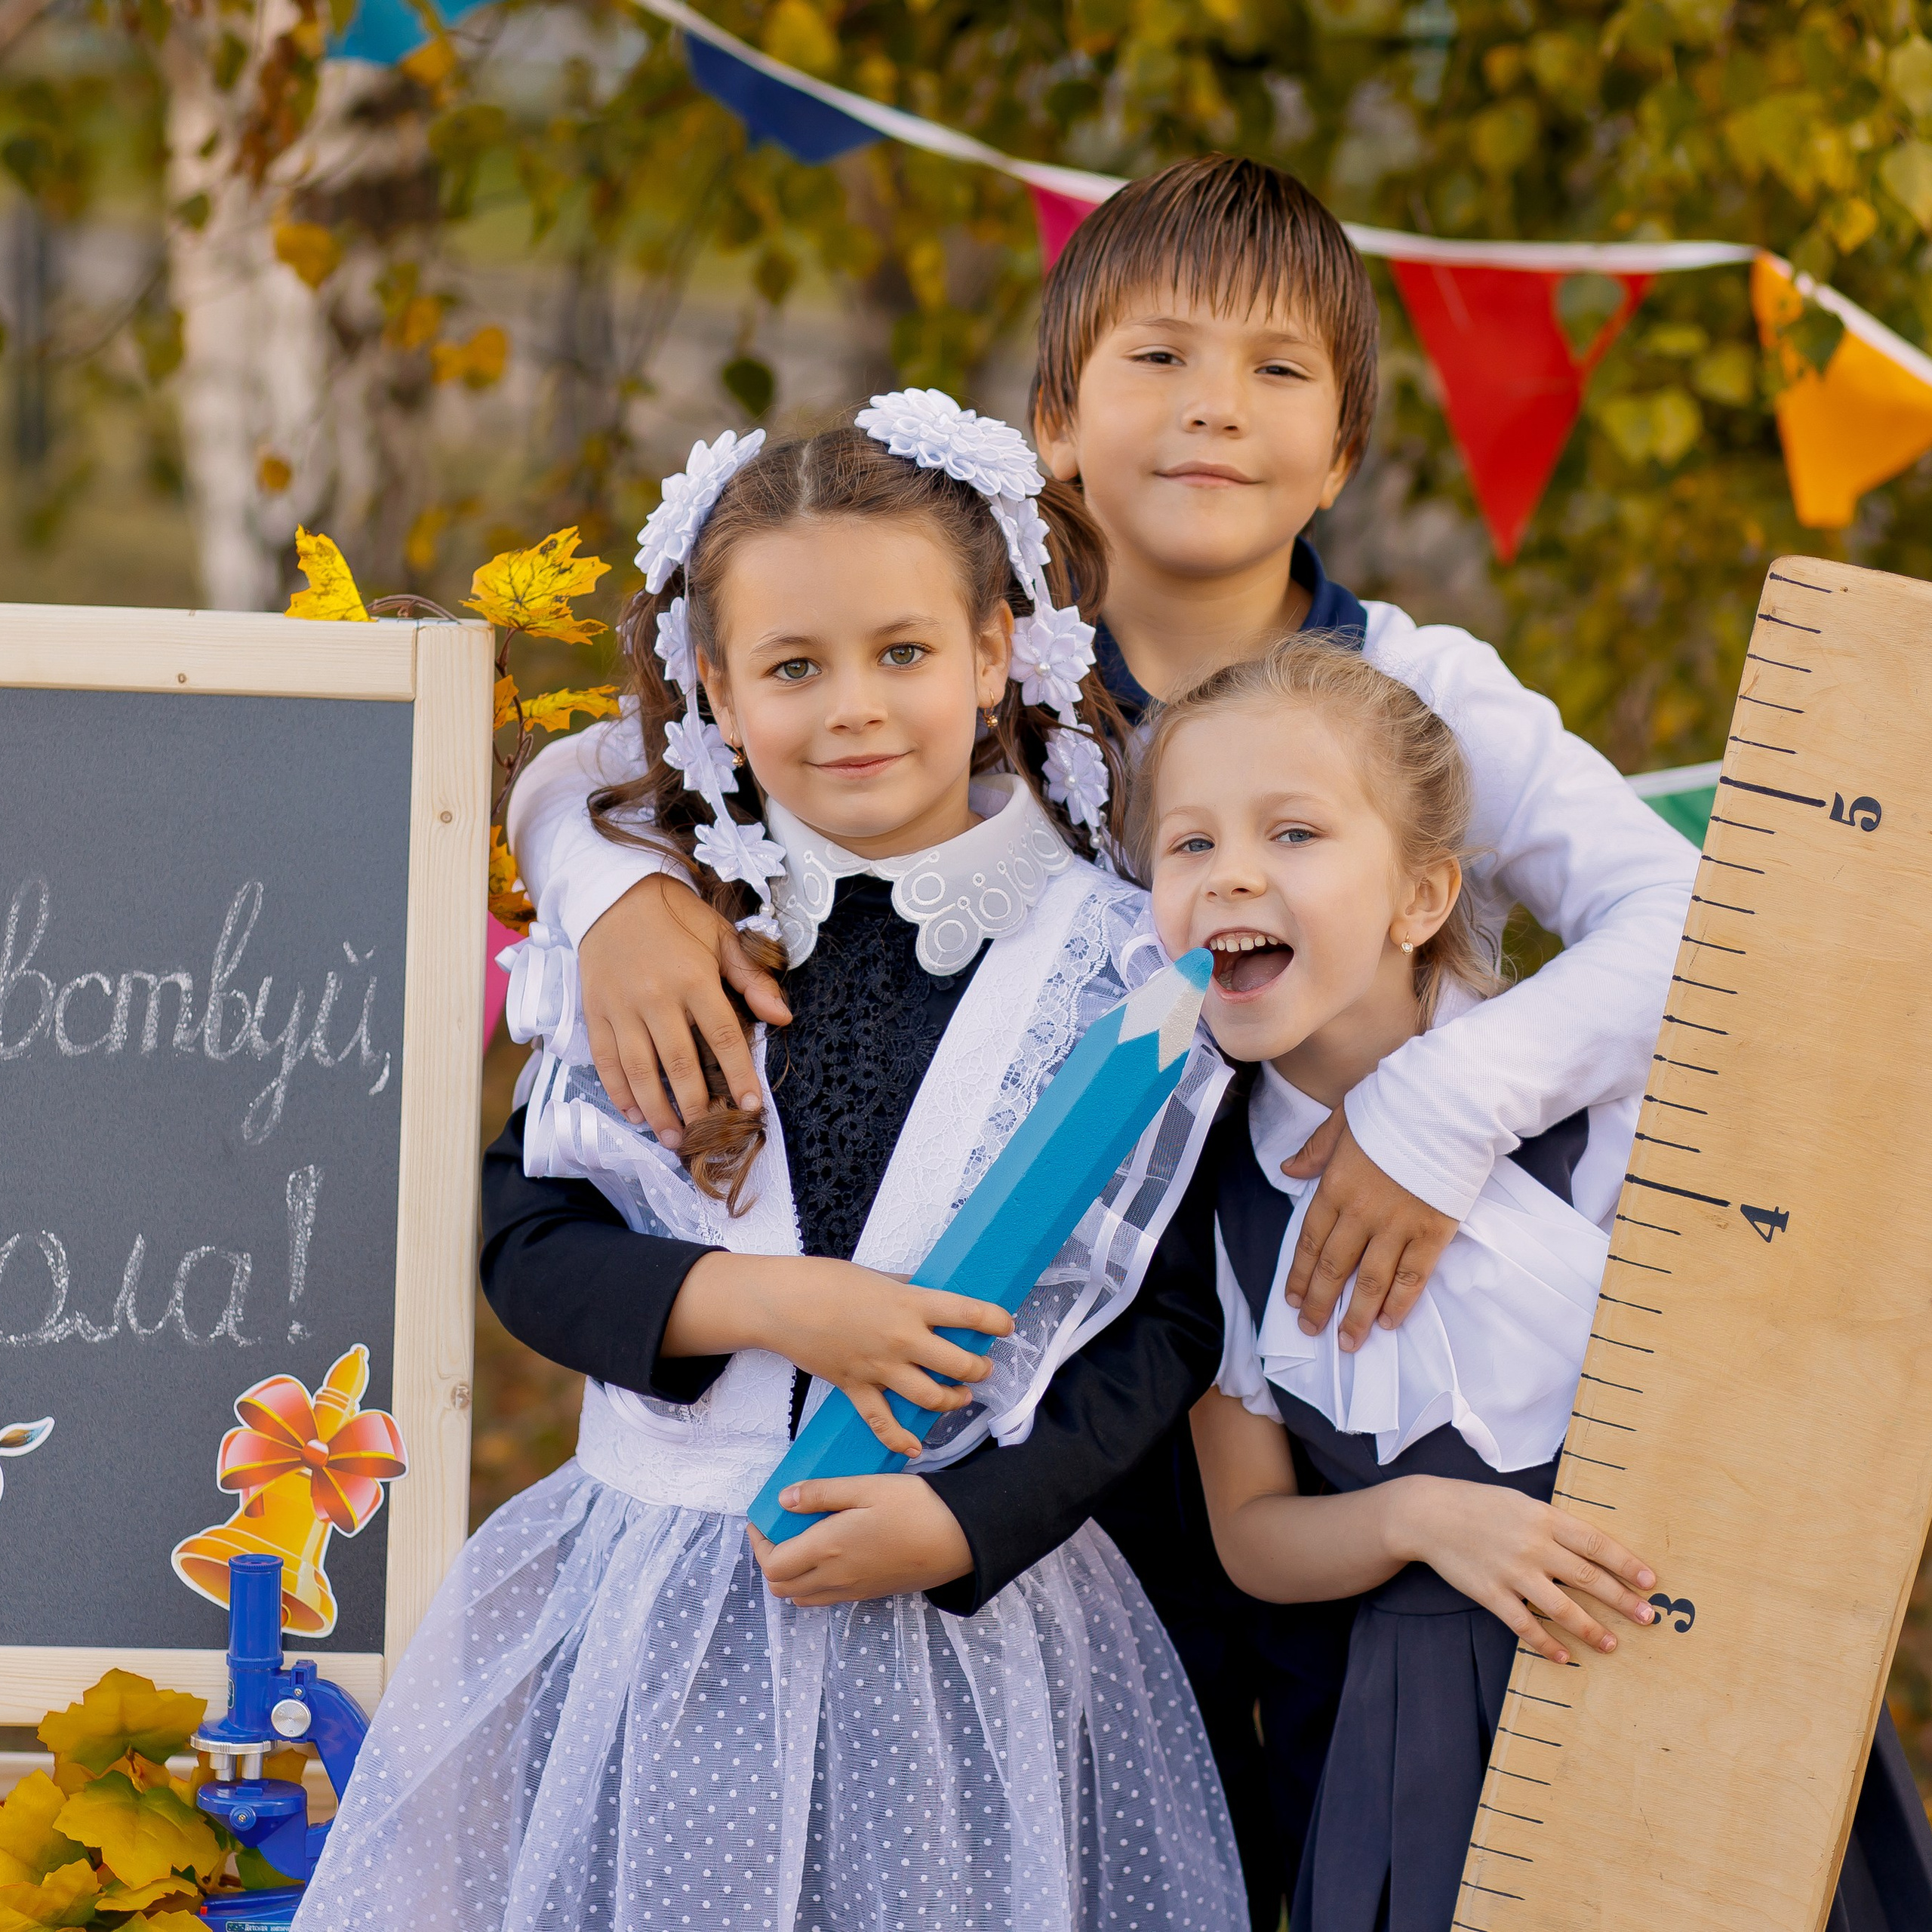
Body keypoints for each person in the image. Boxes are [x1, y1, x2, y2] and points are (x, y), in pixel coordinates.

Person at [500, 154, 1700, 1922]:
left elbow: (1684, 916)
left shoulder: (1415, 690)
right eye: (1159, 359)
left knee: (1315, 1818)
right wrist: (599, 887)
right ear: (1054, 419)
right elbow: (632, 759)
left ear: (1345, 449)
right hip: (1027, 1402)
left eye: (1277, 371)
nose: (1215, 407)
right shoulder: (965, 692)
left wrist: (1441, 1108)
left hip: (1314, 1370)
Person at [294, 399, 1247, 1931]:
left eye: (903, 652)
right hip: (658, 1606)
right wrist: (769, 1303)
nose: (852, 707)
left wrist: (969, 1521)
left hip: (969, 1622)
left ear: (994, 649)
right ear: (718, 694)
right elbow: (526, 1231)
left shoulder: (1113, 961)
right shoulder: (662, 937)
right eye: (792, 667)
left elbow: (1164, 1321)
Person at [1157, 639, 1932, 1932]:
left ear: (1422, 898)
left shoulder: (1613, 1116)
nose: (1232, 870)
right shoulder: (1208, 1203)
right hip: (1417, 1755)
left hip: (1703, 1679)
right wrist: (1419, 1520)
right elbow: (1251, 1535)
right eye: (1187, 846)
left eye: (1293, 832)